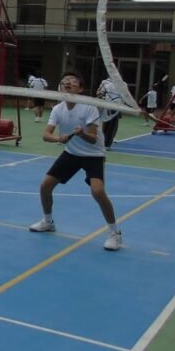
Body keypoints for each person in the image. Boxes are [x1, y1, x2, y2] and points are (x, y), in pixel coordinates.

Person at [30, 71, 122, 251]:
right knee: (45, 185)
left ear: (80, 89)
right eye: (64, 81)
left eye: (73, 81)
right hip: (71, 153)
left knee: (97, 191)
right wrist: (58, 139)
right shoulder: (58, 109)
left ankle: (114, 233)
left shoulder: (89, 107)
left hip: (93, 155)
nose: (67, 83)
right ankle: (48, 222)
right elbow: (45, 135)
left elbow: (94, 138)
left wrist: (82, 133)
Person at [95, 74, 124, 149]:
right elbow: (99, 93)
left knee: (108, 123)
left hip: (111, 105)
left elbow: (99, 93)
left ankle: (105, 141)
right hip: (112, 105)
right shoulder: (106, 83)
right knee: (112, 125)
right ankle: (106, 143)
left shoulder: (120, 83)